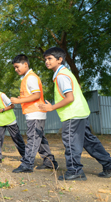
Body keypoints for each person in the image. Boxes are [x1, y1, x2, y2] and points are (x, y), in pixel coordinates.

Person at [39, 47, 111, 181]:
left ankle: (75, 171)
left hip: (72, 115)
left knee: (71, 143)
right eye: (45, 59)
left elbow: (69, 98)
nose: (46, 62)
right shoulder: (66, 73)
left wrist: (52, 107)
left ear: (60, 60)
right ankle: (109, 165)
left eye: (49, 58)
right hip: (80, 113)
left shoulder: (61, 76)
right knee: (90, 142)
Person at [11, 54, 58, 173]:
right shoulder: (27, 77)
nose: (16, 70)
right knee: (39, 139)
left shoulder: (30, 77)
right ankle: (50, 162)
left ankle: (27, 164)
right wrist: (21, 98)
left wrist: (18, 101)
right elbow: (31, 95)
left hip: (35, 113)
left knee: (33, 138)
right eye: (15, 68)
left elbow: (36, 95)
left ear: (25, 64)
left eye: (17, 67)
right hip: (34, 113)